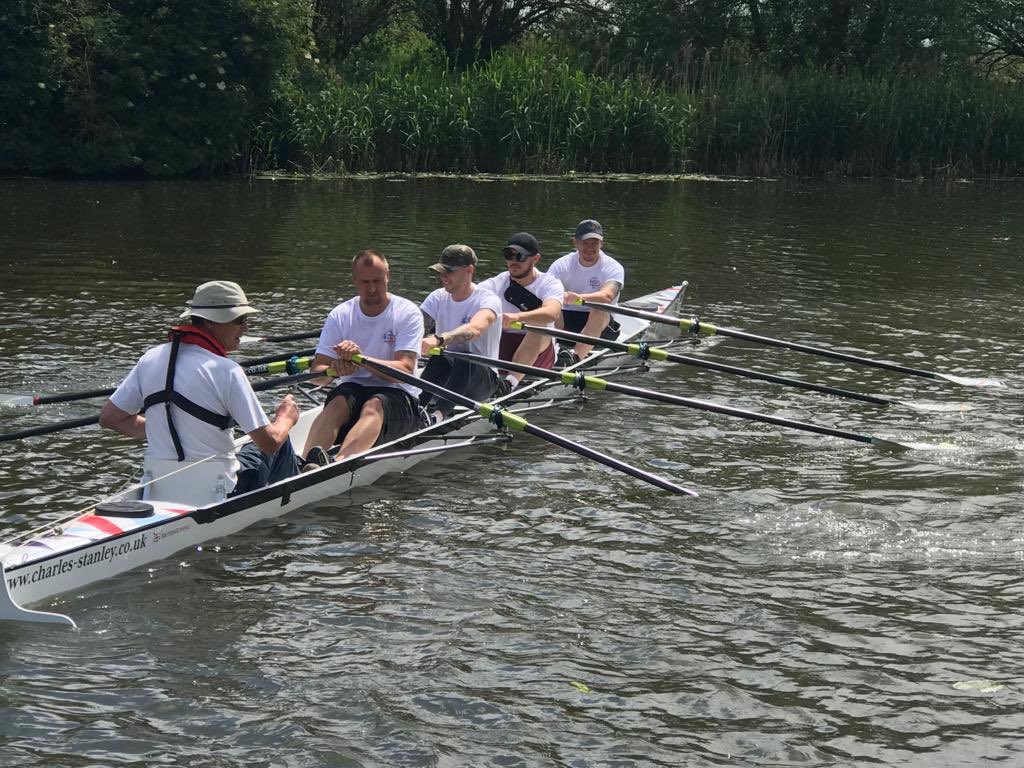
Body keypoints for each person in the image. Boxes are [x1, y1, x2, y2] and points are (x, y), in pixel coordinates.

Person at [99, 280, 300, 501]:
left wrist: (166, 426)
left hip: (159, 488)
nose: (246, 328)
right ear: (210, 322)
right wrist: (286, 418)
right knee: (281, 439)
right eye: (240, 319)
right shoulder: (228, 371)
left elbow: (111, 418)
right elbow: (269, 443)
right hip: (219, 492)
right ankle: (292, 508)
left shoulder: (150, 358)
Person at [300, 249, 424, 468]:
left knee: (374, 404)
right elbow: (316, 375)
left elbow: (405, 370)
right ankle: (305, 463)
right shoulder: (340, 315)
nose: (373, 289)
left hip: (399, 399)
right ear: (354, 281)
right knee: (338, 400)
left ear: (388, 276)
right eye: (365, 282)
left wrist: (360, 359)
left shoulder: (407, 313)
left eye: (378, 280)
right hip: (352, 395)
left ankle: (337, 464)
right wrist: (334, 370)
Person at [419, 244, 503, 422]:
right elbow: (417, 326)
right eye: (440, 272)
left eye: (448, 272)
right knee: (439, 359)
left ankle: (437, 416)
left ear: (469, 270)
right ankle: (415, 408)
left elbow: (475, 329)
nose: (443, 277)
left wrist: (440, 339)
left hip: (483, 379)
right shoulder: (437, 297)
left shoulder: (487, 300)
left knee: (464, 359)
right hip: (448, 371)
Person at [477, 232, 564, 389]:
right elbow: (468, 298)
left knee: (540, 325)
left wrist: (518, 317)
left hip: (538, 354)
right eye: (509, 255)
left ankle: (509, 384)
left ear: (535, 259)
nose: (513, 262)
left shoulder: (549, 284)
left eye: (520, 257)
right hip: (501, 347)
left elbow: (552, 313)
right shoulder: (495, 283)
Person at [546, 218, 626, 361]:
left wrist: (581, 298)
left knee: (599, 307)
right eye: (585, 242)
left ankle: (575, 359)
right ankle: (549, 353)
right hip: (566, 319)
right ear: (575, 242)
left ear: (601, 243)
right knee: (550, 306)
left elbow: (607, 295)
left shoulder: (613, 267)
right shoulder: (561, 265)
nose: (590, 247)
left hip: (600, 324)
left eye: (594, 243)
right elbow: (546, 290)